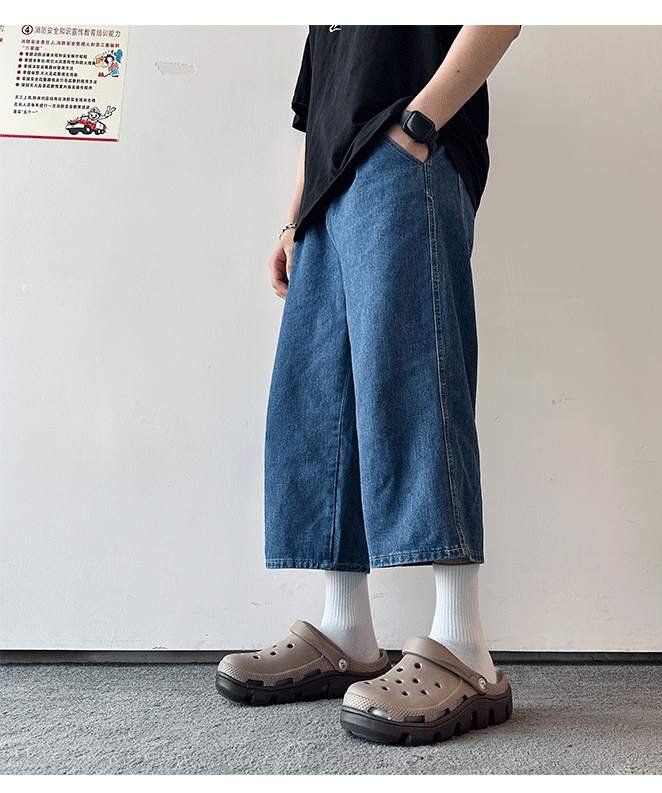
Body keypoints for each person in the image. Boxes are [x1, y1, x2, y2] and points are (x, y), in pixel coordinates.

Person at [216, 25, 522, 745]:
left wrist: (417, 125)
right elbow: (320, 108)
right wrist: (294, 216)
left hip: (404, 153)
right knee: (317, 402)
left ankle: (465, 645)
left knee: (416, 382)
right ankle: (346, 630)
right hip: (326, 192)